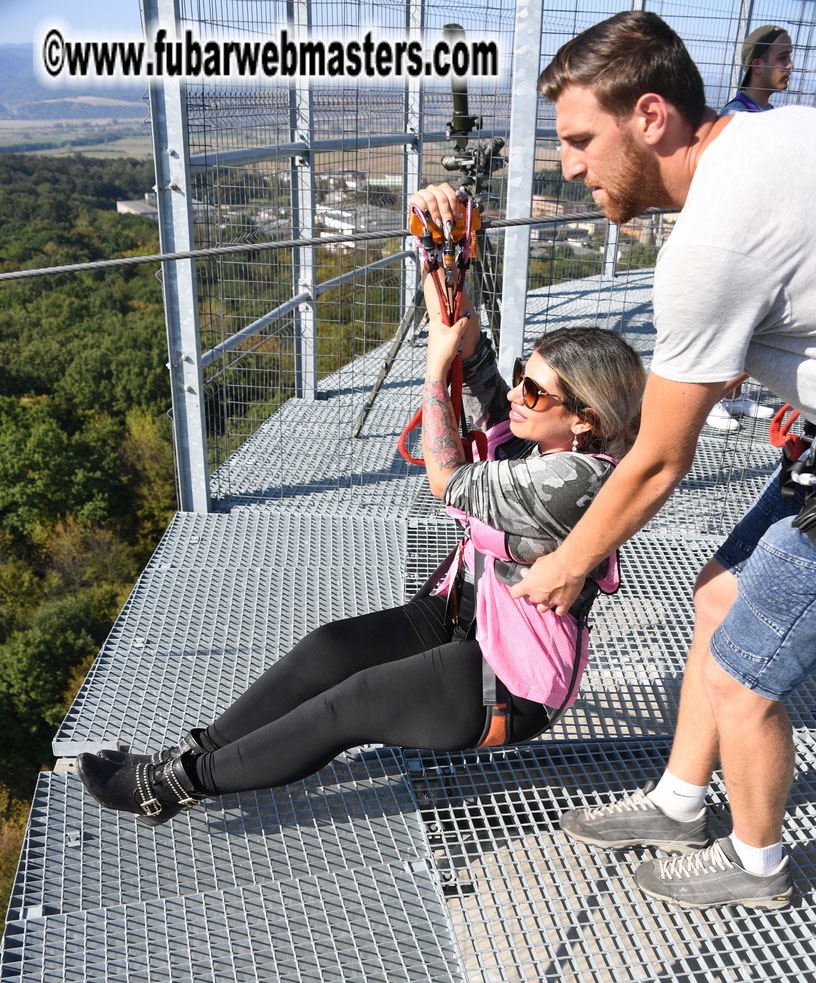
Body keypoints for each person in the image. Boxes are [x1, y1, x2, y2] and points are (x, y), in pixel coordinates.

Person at [75, 268, 644, 826]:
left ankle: (171, 788)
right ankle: (195, 754)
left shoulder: (577, 481)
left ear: (584, 419)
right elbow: (473, 358)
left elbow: (448, 480)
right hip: (463, 617)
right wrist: (445, 265)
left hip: (510, 679)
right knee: (329, 648)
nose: (517, 394)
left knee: (348, 704)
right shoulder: (535, 438)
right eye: (523, 375)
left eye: (535, 391)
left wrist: (433, 372)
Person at [486, 9, 815, 911]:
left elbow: (658, 462)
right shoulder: (769, 135)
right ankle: (679, 802)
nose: (568, 166)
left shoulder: (709, 247)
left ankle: (758, 866)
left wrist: (566, 564)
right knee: (720, 595)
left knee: (742, 674)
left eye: (580, 140)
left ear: (651, 116)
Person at [704, 24, 793, 434]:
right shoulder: (736, 117)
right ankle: (710, 400)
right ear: (757, 65)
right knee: (727, 324)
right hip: (738, 241)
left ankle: (733, 396)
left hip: (764, 240)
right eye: (781, 58)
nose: (790, 67)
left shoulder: (766, 115)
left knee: (750, 324)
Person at [720, 24, 792, 115]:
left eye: (789, 57)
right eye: (782, 57)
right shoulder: (736, 113)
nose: (790, 65)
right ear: (757, 65)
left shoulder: (769, 110)